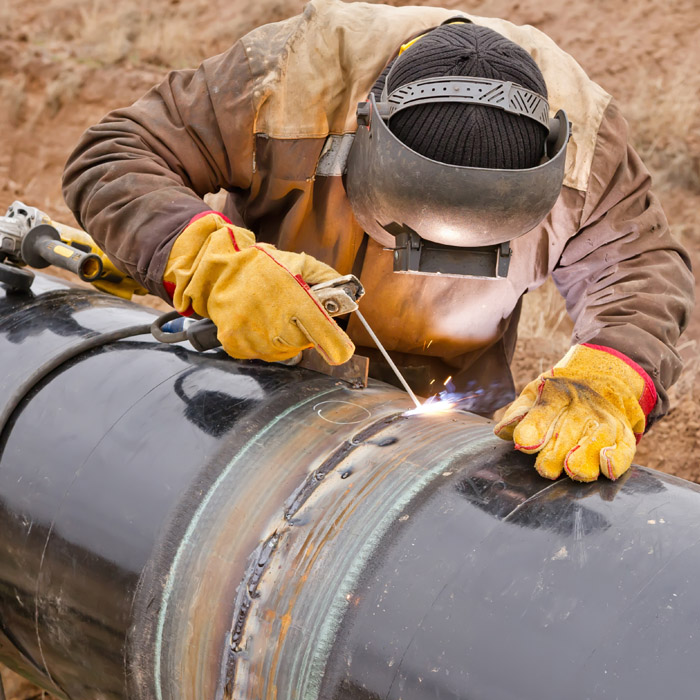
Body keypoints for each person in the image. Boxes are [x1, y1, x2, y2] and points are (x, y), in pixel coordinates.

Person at [62, 0, 694, 483]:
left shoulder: (587, 143)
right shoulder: (289, 79)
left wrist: (614, 371)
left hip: (454, 406)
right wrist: (208, 259)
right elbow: (118, 154)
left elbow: (640, 265)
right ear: (365, 130)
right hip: (263, 375)